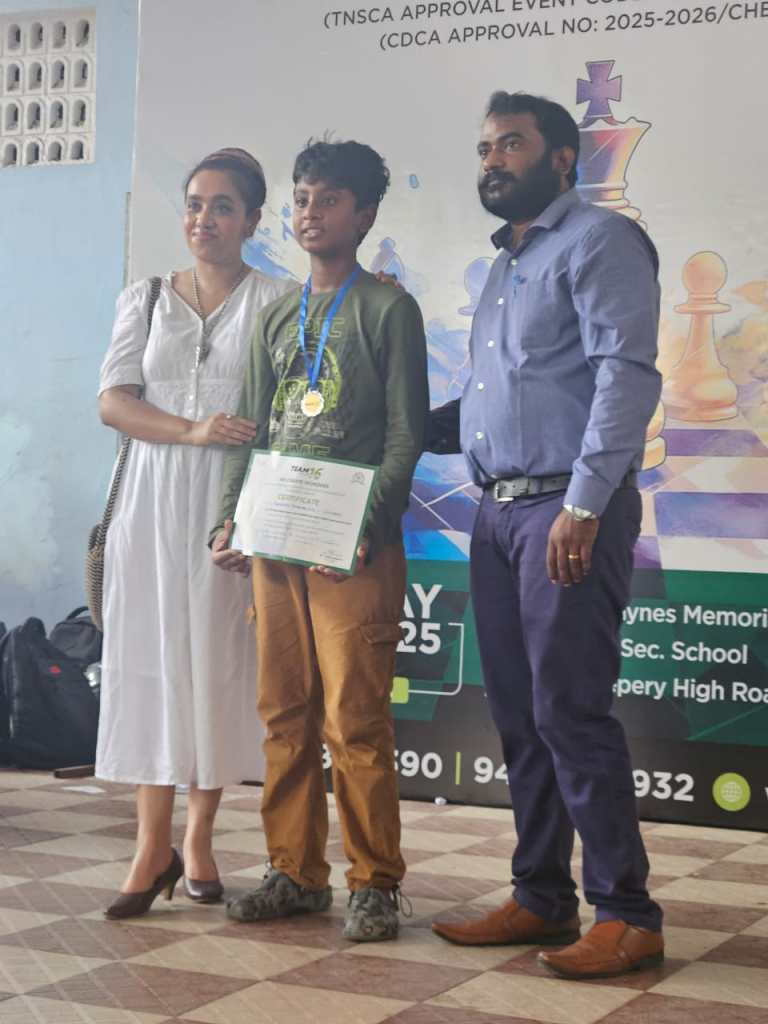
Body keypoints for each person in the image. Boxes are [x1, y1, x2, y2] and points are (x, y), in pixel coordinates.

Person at [427, 92, 665, 979]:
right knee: (520, 716)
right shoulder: (505, 265)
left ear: (562, 157)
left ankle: (628, 914)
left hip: (568, 510)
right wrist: (387, 424)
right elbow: (495, 400)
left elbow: (624, 376)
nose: (493, 160)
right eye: (485, 147)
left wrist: (587, 504)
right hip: (497, 514)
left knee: (570, 710)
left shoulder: (600, 242)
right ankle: (540, 896)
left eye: (512, 144)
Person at [210, 139, 428, 942]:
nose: (310, 213)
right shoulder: (277, 316)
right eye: (302, 199)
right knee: (284, 712)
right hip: (275, 545)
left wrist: (368, 523)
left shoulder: (387, 310)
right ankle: (296, 872)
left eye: (329, 200)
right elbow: (253, 431)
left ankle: (375, 883)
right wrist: (229, 519)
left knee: (355, 720)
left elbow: (404, 436)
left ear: (364, 215)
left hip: (353, 550)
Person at [96, 148, 292, 919]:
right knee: (150, 665)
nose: (203, 219)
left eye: (222, 206)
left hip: (230, 505)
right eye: (194, 204)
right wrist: (191, 429)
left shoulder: (278, 300)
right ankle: (151, 846)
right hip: (149, 501)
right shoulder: (144, 297)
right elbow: (113, 402)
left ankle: (200, 839)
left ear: (252, 220)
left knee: (217, 667)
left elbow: (289, 411)